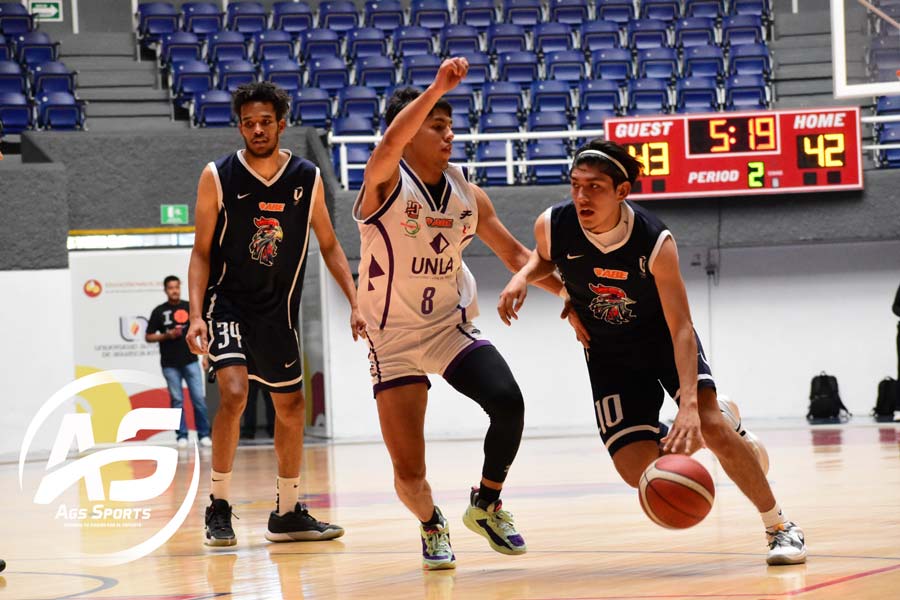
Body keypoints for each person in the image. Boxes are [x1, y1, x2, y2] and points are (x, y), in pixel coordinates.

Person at [498, 140, 808, 566]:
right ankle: (721, 422)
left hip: (662, 339)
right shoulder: (552, 223)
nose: (582, 197)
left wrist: (689, 409)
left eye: (594, 187)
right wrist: (524, 276)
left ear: (622, 191)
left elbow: (681, 327)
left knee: (709, 424)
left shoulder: (654, 240)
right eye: (575, 185)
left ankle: (779, 526)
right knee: (640, 475)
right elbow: (545, 259)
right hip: (608, 352)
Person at [353, 57, 572, 570]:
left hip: (447, 329)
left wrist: (570, 297)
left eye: (451, 124)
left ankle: (487, 503)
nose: (448, 134)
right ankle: (432, 524)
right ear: (408, 132)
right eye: (436, 124)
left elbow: (519, 257)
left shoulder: (467, 194)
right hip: (392, 342)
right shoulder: (384, 183)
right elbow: (388, 145)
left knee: (508, 400)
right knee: (410, 474)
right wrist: (433, 88)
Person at [186, 81, 367, 547]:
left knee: (291, 408)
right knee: (233, 392)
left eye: (266, 121)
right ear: (241, 127)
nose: (258, 129)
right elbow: (201, 252)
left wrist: (356, 300)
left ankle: (287, 512)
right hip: (227, 302)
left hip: (278, 313)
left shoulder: (306, 177)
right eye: (249, 123)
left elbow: (328, 244)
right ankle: (218, 505)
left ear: (281, 124)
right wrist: (196, 314)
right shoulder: (218, 175)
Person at [146, 275, 212, 448]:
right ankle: (181, 435)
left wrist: (205, 356)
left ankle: (204, 434)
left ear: (180, 287)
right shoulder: (159, 311)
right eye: (170, 288)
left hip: (191, 360)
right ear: (165, 290)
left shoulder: (189, 308)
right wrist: (167, 335)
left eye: (176, 287)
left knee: (198, 398)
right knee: (177, 401)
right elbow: (149, 336)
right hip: (169, 364)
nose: (174, 290)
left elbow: (203, 332)